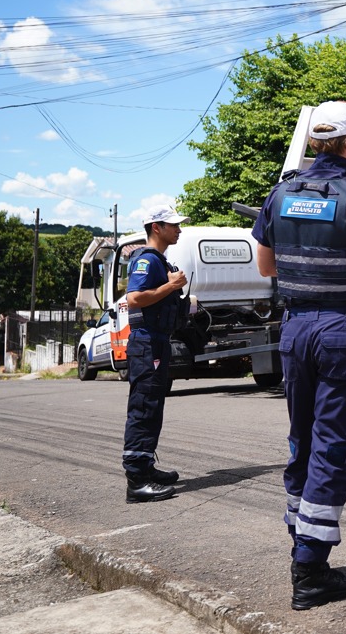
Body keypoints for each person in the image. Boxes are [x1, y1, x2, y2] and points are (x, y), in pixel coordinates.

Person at [252, 100, 346, 612]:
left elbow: (267, 266)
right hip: (339, 329)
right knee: (333, 444)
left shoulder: (281, 193)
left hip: (294, 331)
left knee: (302, 440)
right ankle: (310, 572)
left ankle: (301, 543)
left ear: (315, 143)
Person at [121, 204, 189, 504]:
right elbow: (134, 298)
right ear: (156, 227)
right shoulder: (147, 261)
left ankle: (146, 467)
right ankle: (136, 481)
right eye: (173, 225)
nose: (179, 229)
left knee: (153, 407)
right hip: (147, 343)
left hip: (157, 341)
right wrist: (170, 285)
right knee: (144, 407)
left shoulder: (161, 261)